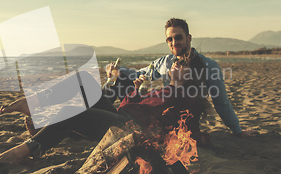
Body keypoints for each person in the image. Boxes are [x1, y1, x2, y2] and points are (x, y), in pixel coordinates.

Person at [0, 61, 206, 165]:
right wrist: (136, 89)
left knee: (72, 111)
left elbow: (189, 128)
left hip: (130, 128)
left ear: (192, 75)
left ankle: (26, 150)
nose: (176, 63)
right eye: (177, 62)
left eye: (183, 64)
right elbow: (127, 103)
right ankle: (34, 103)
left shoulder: (187, 95)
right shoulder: (162, 89)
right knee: (84, 80)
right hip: (123, 115)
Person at [105, 17, 257, 137]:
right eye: (169, 39)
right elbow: (140, 74)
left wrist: (238, 131)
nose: (174, 43)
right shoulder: (165, 62)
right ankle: (105, 109)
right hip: (161, 116)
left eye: (178, 37)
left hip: (183, 121)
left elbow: (221, 103)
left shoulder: (209, 66)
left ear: (189, 38)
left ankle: (106, 117)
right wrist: (117, 71)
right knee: (117, 81)